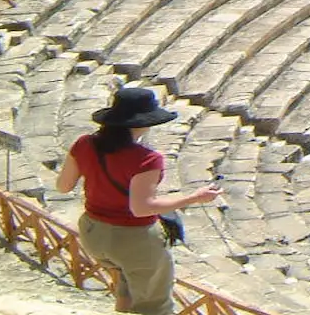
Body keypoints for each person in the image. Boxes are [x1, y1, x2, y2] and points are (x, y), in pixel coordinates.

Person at [55, 85, 221, 315]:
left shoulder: (84, 144)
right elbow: (142, 208)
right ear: (145, 122)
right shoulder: (146, 159)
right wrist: (194, 197)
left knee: (127, 285)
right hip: (134, 239)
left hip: (93, 233)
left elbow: (63, 187)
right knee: (155, 307)